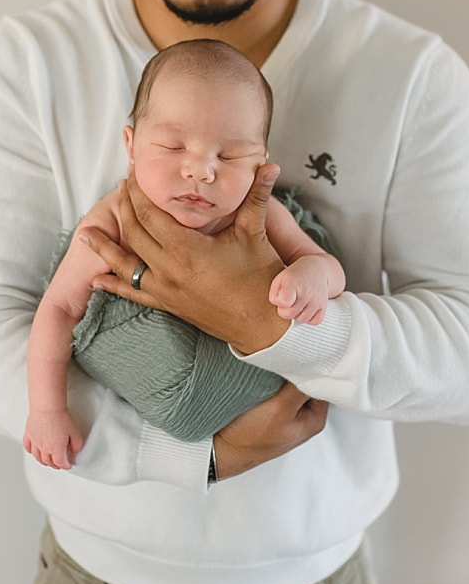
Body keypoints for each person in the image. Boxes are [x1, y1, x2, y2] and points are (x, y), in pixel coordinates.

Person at [0, 0, 469, 584]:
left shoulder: (411, 76)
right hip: (95, 583)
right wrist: (189, 455)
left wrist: (271, 323)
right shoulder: (21, 67)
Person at [23, 38, 345, 470]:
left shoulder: (262, 214)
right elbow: (59, 308)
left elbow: (329, 268)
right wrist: (47, 410)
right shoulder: (113, 221)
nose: (200, 170)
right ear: (131, 144)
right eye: (174, 148)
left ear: (261, 163)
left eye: (229, 155)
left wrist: (310, 276)